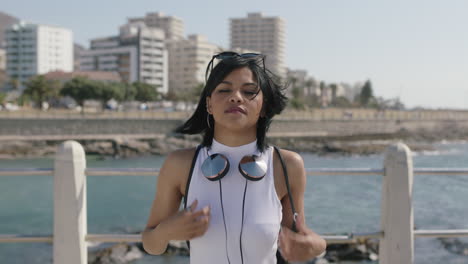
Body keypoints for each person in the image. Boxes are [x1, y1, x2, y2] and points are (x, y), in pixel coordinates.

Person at [142, 51, 326, 263]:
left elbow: (301, 237)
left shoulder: (287, 165)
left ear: (264, 106)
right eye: (224, 89)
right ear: (209, 104)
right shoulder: (180, 164)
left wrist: (317, 246)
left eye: (249, 92)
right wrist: (166, 232)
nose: (236, 97)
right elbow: (150, 243)